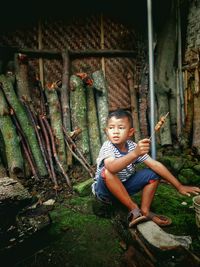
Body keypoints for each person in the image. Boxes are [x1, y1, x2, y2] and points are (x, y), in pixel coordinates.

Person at [92, 109, 200, 228]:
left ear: (130, 132)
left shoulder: (133, 146)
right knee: (107, 172)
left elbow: (155, 165)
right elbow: (112, 168)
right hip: (105, 192)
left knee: (153, 174)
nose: (115, 132)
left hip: (124, 188)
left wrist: (179, 186)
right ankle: (134, 209)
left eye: (121, 128)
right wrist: (135, 154)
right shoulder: (108, 146)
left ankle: (145, 211)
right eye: (111, 128)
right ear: (106, 131)